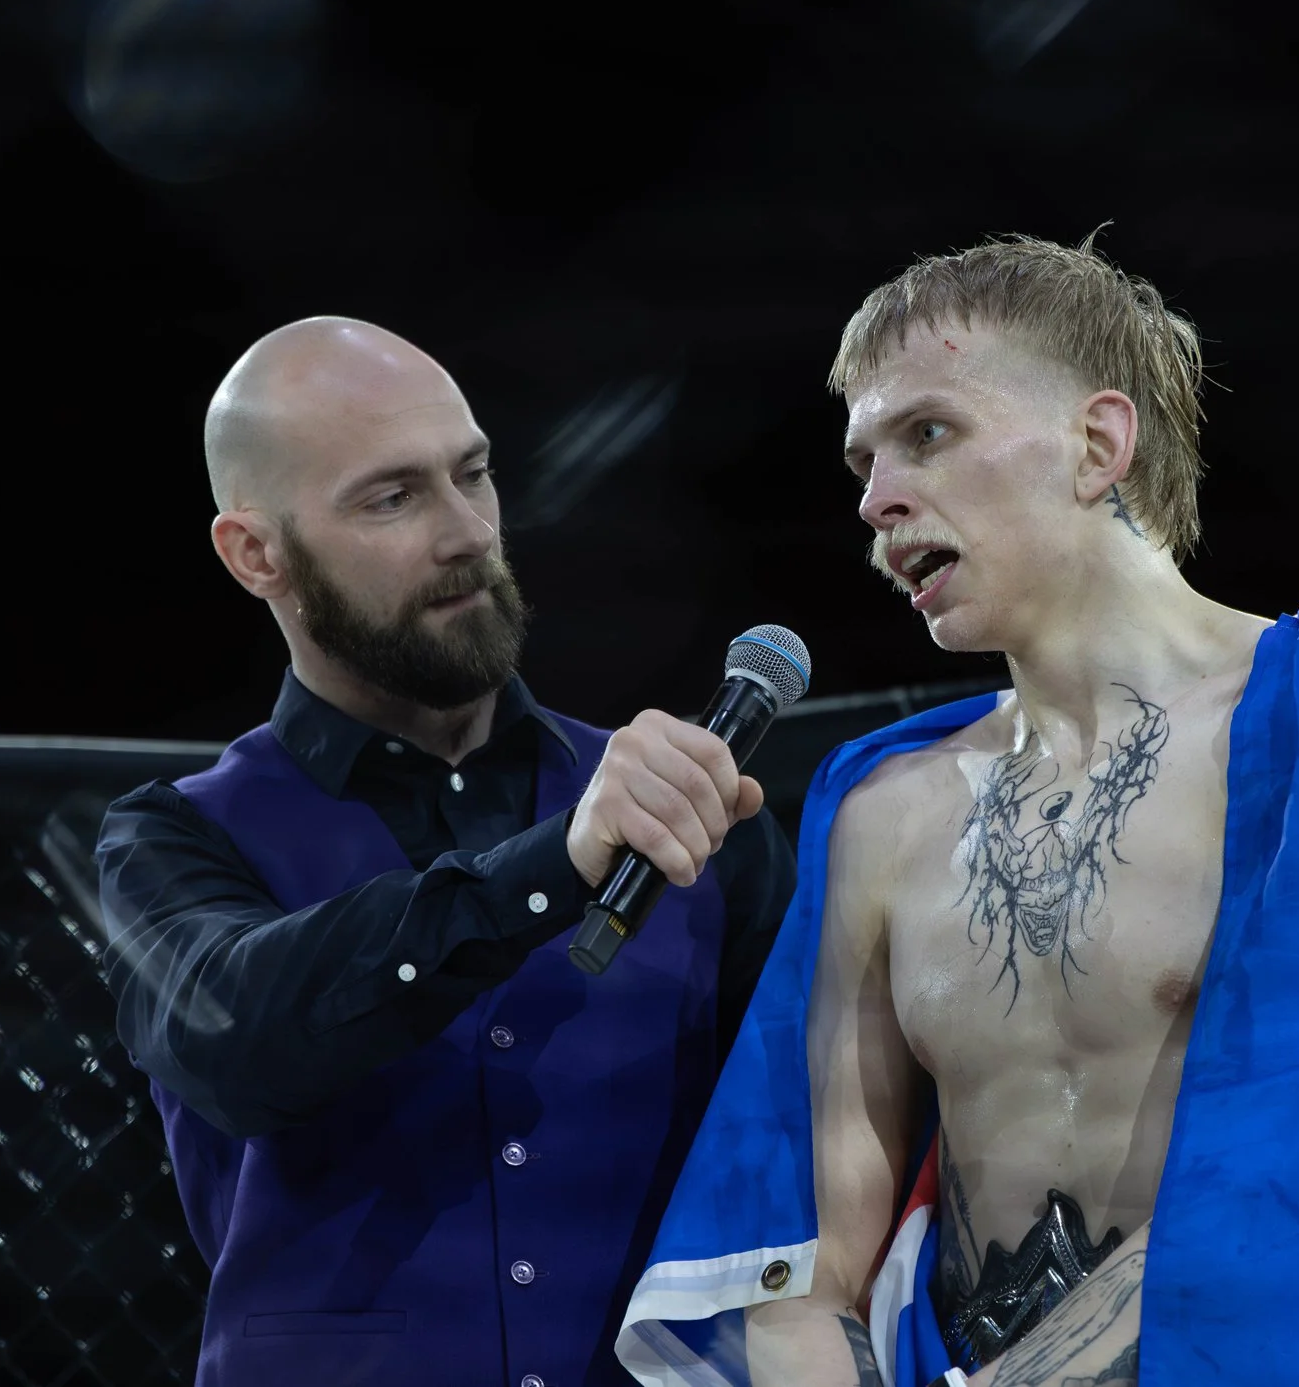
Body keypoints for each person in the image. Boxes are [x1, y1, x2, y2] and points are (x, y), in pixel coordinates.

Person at [616, 238, 1299, 1387]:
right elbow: (801, 1263)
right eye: (863, 459)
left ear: (1098, 443)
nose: (875, 498)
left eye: (927, 433)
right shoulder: (879, 808)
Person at [96, 318, 794, 1387]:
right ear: (256, 552)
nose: (468, 529)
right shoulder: (173, 837)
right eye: (392, 497)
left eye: (473, 473)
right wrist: (551, 867)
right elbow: (242, 1039)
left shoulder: (697, 812)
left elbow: (807, 1160)